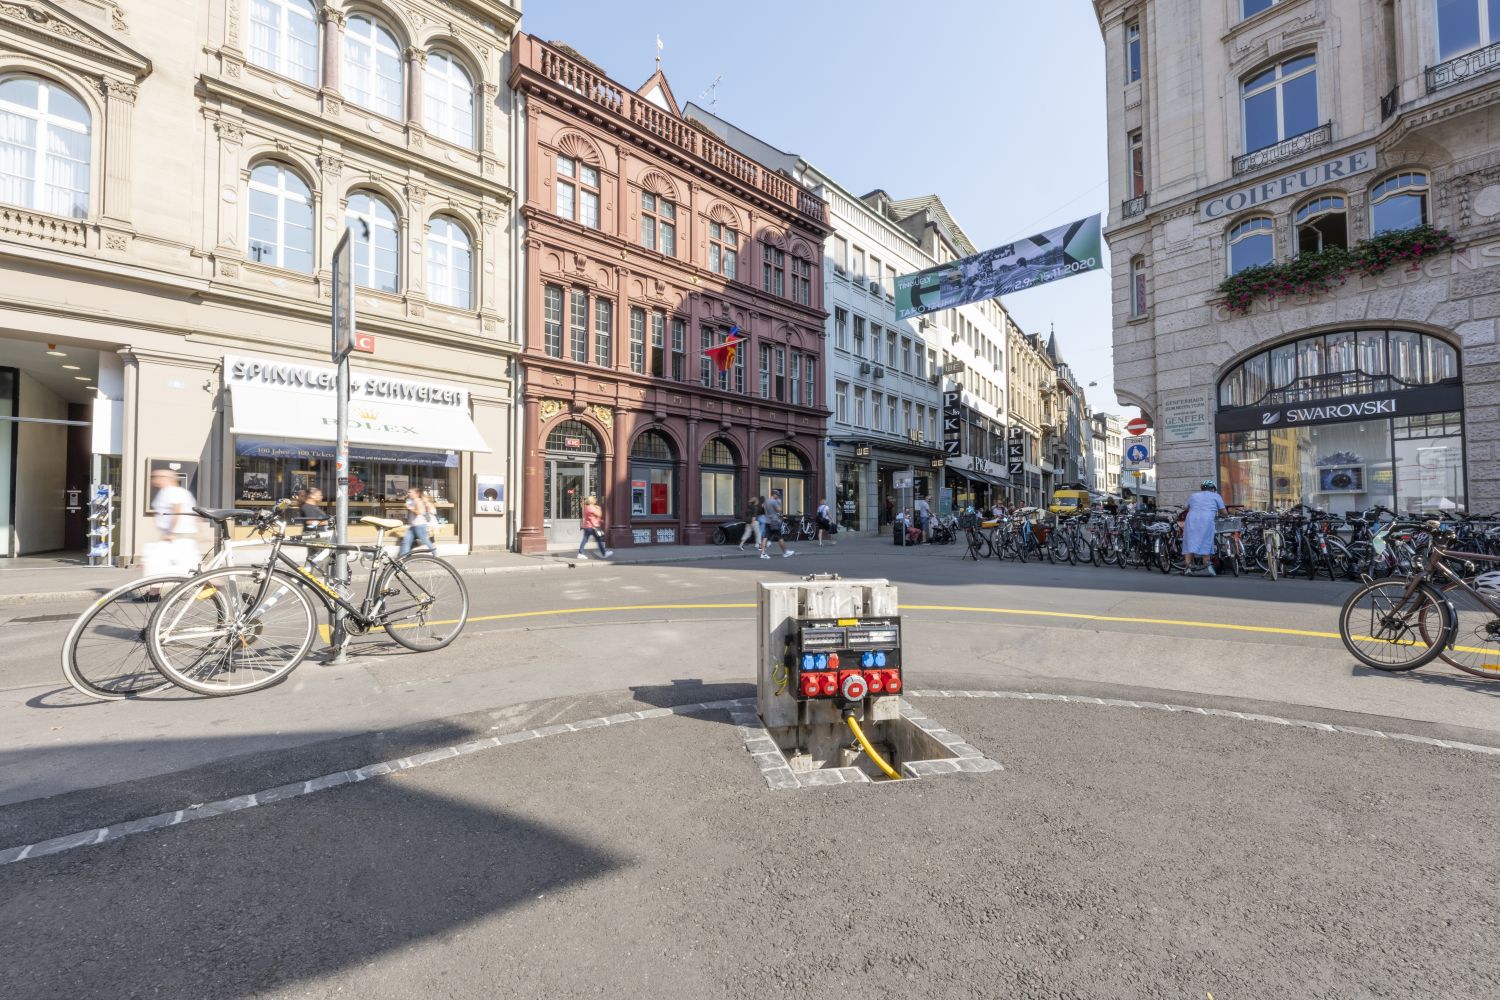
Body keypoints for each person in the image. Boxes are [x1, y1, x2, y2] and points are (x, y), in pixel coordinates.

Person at [149, 468, 199, 575]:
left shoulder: (172, 491)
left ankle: (218, 586)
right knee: (159, 566)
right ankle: (154, 592)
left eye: (157, 476)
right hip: (175, 537)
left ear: (168, 478)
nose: (154, 479)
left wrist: (170, 533)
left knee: (192, 570)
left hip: (177, 538)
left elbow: (176, 510)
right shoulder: (171, 491)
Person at [1182, 479, 1227, 576]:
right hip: (1206, 520)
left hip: (1191, 519)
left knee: (1190, 541)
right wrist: (1225, 516)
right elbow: (1224, 512)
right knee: (1206, 541)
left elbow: (1185, 507)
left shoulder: (1194, 495)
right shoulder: (1216, 496)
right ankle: (1207, 566)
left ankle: (1188, 567)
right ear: (1213, 489)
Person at [399, 486, 438, 558]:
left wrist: (410, 508)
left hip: (420, 526)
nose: (409, 493)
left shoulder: (418, 501)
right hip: (413, 526)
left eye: (410, 492)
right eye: (408, 492)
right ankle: (402, 558)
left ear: (416, 493)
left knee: (425, 540)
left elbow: (419, 512)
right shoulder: (412, 501)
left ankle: (435, 554)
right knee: (406, 541)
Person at [760, 490, 794, 559]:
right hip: (774, 521)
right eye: (777, 495)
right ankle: (785, 552)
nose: (778, 496)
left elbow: (763, 508)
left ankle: (763, 554)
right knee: (780, 537)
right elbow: (779, 510)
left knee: (765, 537)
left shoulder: (766, 501)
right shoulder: (774, 501)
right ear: (774, 495)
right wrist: (779, 503)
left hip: (767, 521)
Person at [577, 494, 612, 559]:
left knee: (585, 540)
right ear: (592, 501)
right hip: (593, 527)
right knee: (598, 540)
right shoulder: (591, 507)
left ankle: (580, 553)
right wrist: (599, 508)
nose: (595, 500)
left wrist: (599, 520)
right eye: (594, 499)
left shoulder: (586, 507)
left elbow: (592, 517)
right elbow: (599, 514)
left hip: (587, 526)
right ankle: (604, 554)